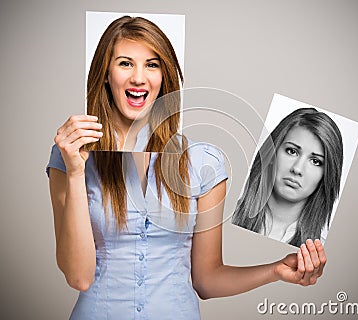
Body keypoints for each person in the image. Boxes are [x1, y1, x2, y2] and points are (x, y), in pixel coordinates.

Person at [47, 16, 327, 320]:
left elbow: (207, 280)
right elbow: (79, 278)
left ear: (164, 78)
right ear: (105, 74)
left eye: (152, 65)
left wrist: (275, 270)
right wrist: (75, 172)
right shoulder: (70, 157)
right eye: (125, 63)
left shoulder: (203, 163)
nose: (139, 78)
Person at [232, 108, 343, 247]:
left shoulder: (322, 251)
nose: (297, 169)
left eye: (315, 161)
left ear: (327, 175)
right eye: (292, 151)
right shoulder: (224, 216)